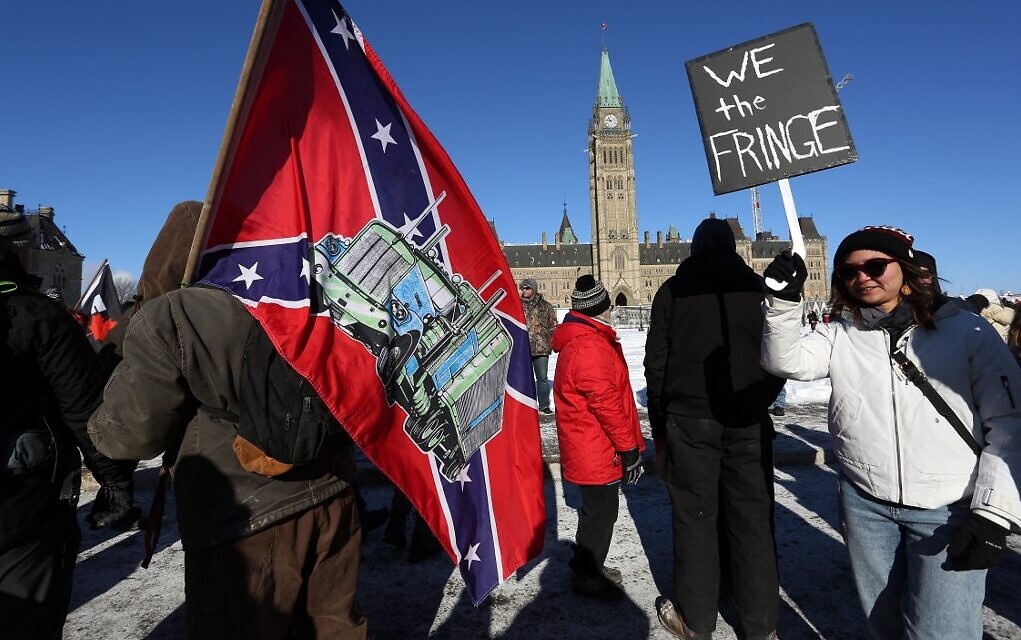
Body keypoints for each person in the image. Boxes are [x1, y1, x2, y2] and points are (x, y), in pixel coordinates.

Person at [87, 202, 367, 638]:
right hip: (335, 491)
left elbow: (128, 437)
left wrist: (96, 414)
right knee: (336, 628)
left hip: (243, 516)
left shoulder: (174, 314)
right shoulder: (312, 295)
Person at [761, 225, 1021, 640]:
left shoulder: (966, 332)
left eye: (875, 266)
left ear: (905, 269)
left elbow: (1009, 424)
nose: (862, 277)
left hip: (947, 507)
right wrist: (783, 302)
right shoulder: (842, 331)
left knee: (942, 632)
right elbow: (785, 361)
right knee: (884, 625)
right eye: (849, 272)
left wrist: (993, 513)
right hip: (865, 503)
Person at [644, 217, 784, 640]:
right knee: (753, 519)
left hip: (689, 421)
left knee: (695, 518)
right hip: (748, 419)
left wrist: (661, 426)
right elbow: (781, 357)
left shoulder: (673, 291)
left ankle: (696, 620)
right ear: (733, 248)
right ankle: (761, 627)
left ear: (694, 249)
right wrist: (759, 399)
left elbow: (656, 365)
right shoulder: (758, 290)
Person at [0, 208, 128, 638]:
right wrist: (115, 481)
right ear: (18, 254)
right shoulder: (39, 317)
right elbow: (84, 409)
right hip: (25, 507)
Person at [551, 274, 644, 601]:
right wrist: (628, 448)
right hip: (595, 445)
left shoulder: (585, 338)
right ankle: (587, 577)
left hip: (589, 442)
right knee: (601, 515)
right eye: (606, 306)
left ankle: (587, 566)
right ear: (598, 309)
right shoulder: (589, 345)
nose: (610, 311)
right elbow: (607, 405)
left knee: (596, 512)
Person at [520, 277, 558, 413]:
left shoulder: (546, 306)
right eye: (522, 288)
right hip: (523, 349)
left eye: (527, 288)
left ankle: (544, 405)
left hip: (541, 348)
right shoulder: (517, 306)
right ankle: (525, 406)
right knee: (524, 379)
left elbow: (553, 326)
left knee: (542, 379)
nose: (524, 290)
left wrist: (553, 342)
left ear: (534, 289)